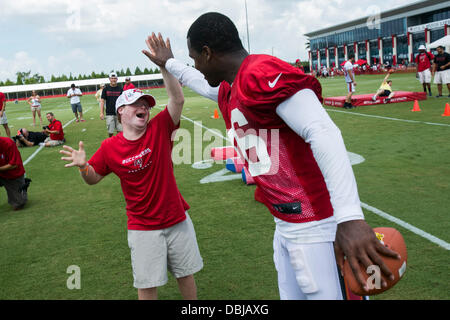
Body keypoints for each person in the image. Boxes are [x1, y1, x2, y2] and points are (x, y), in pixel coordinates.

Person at [145, 13, 400, 300]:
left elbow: (323, 132)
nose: (196, 66)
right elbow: (201, 83)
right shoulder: (232, 85)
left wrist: (350, 218)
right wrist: (169, 63)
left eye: (195, 58)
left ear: (208, 53)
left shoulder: (261, 71)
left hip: (318, 226)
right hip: (286, 225)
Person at [60, 43, 203, 300]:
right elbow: (93, 179)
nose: (144, 108)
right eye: (136, 104)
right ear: (121, 112)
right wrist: (83, 167)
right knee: (147, 285)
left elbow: (177, 99)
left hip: (177, 219)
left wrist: (164, 66)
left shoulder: (159, 128)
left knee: (186, 275)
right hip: (143, 227)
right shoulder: (109, 147)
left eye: (146, 104)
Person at [0, 136, 30, 211]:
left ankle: (23, 186)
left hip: (13, 174)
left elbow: (14, 165)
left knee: (19, 204)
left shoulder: (8, 143)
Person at [101, 73, 123, 137]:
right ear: (109, 79)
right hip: (109, 113)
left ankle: (120, 144)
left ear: (117, 79)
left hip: (119, 113)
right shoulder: (105, 89)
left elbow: (123, 101)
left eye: (115, 78)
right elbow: (102, 101)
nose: (113, 80)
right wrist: (101, 113)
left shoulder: (120, 89)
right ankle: (111, 143)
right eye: (112, 78)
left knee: (120, 131)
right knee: (110, 132)